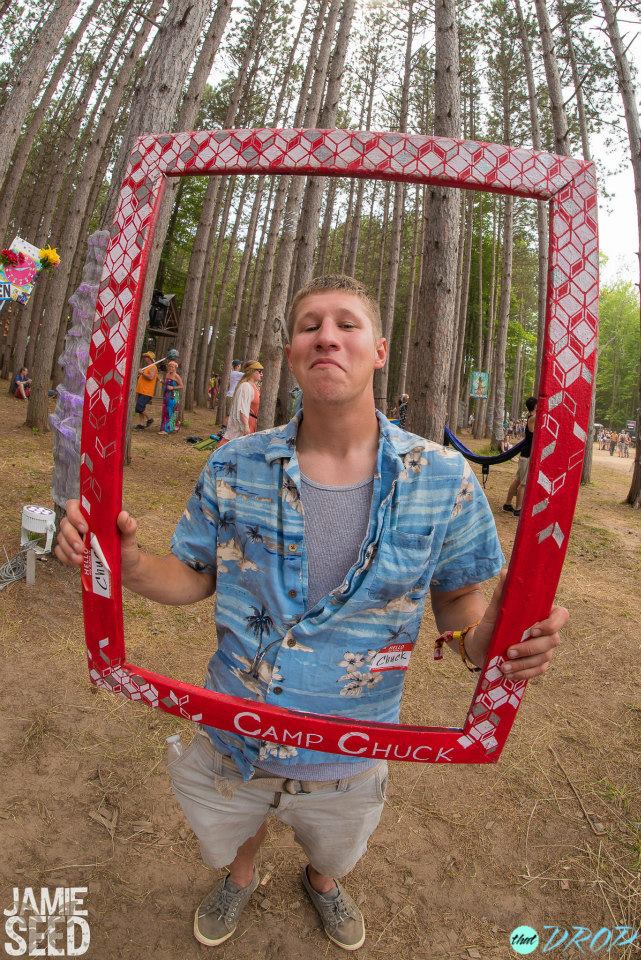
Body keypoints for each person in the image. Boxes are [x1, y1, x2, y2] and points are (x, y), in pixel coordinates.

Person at [56, 275, 566, 952]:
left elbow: (457, 606)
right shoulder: (234, 465)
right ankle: (242, 874)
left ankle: (322, 882)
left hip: (353, 747)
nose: (327, 335)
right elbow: (194, 578)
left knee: (335, 843)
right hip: (234, 725)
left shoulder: (443, 478)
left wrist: (493, 640)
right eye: (309, 325)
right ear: (293, 352)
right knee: (237, 830)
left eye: (346, 324)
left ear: (379, 349)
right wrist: (129, 563)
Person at [502, 397, 537, 518]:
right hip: (527, 456)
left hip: (525, 455)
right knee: (523, 484)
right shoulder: (532, 418)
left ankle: (507, 504)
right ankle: (518, 509)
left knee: (518, 480)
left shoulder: (531, 417)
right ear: (535, 406)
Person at [218, 361, 263, 446]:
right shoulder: (245, 386)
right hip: (246, 422)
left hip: (252, 422)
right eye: (259, 371)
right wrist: (246, 427)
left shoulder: (254, 386)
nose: (262, 374)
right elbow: (242, 409)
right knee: (234, 448)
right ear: (252, 371)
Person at [158, 359, 183, 434]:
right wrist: (162, 382)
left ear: (175, 368)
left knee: (170, 411)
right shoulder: (167, 374)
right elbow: (166, 385)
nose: (170, 368)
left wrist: (173, 388)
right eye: (169, 366)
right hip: (166, 395)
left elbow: (182, 386)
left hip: (173, 396)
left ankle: (167, 429)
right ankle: (169, 427)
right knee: (165, 411)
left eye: (172, 367)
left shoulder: (176, 376)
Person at [134, 351, 158, 429]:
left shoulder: (153, 367)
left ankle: (150, 419)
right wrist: (139, 374)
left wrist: (142, 372)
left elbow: (151, 377)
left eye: (147, 357)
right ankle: (141, 424)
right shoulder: (148, 367)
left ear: (150, 358)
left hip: (146, 391)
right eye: (145, 357)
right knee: (141, 408)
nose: (145, 358)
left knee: (139, 407)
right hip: (141, 390)